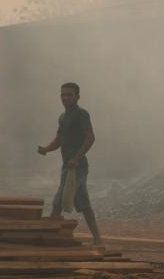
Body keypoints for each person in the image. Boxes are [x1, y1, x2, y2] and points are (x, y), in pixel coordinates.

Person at [37, 82, 102, 246]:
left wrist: (77, 158)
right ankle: (97, 239)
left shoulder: (81, 114)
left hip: (78, 167)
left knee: (59, 200)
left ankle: (49, 239)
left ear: (77, 97)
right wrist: (46, 148)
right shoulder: (63, 117)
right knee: (84, 203)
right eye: (63, 95)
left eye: (69, 95)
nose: (66, 98)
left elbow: (90, 138)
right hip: (68, 166)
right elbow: (58, 139)